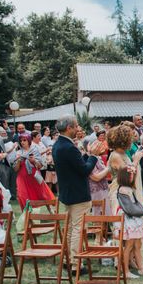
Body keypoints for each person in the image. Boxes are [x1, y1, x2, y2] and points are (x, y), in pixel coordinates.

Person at [52, 115, 98, 274]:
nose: (78, 129)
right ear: (69, 128)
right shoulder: (69, 147)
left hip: (67, 192)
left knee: (71, 228)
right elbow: (84, 170)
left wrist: (86, 155)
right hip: (78, 193)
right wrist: (94, 157)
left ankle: (69, 260)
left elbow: (75, 164)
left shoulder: (58, 145)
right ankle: (75, 264)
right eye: (76, 126)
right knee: (79, 229)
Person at [116, 166, 143, 278]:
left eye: (133, 174)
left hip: (135, 219)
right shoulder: (123, 189)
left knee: (138, 244)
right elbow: (130, 208)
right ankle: (126, 271)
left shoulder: (129, 189)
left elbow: (135, 204)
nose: (132, 176)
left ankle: (141, 268)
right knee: (129, 245)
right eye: (130, 175)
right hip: (129, 220)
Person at [13, 134, 55, 210]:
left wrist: (34, 161)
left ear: (28, 141)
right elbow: (15, 169)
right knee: (22, 195)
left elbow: (40, 166)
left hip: (34, 176)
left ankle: (50, 209)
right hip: (22, 177)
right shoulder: (18, 152)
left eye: (24, 140)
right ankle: (26, 214)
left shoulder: (34, 150)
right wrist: (19, 161)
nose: (22, 142)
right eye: (21, 140)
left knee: (42, 194)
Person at [87, 140, 112, 216]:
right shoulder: (89, 159)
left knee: (107, 214)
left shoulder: (98, 158)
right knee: (99, 215)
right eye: (96, 145)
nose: (99, 146)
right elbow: (96, 177)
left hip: (104, 188)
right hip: (96, 190)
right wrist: (108, 168)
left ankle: (107, 227)